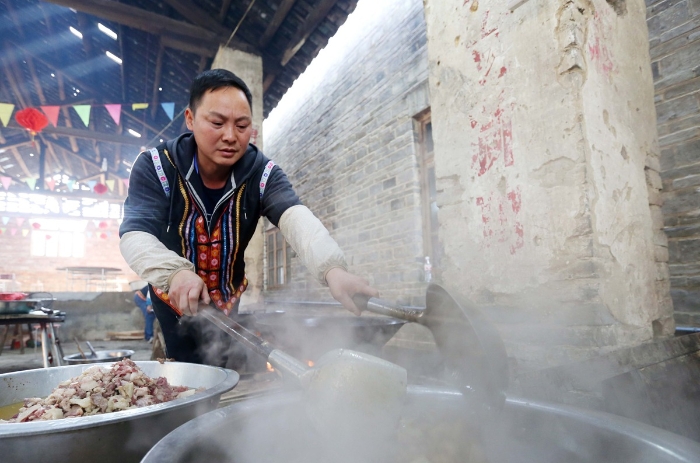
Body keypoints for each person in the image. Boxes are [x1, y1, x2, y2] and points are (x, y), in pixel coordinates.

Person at [119, 68, 378, 367]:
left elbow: (295, 217)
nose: (230, 136)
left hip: (229, 299)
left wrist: (333, 269)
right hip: (172, 302)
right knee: (185, 374)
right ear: (190, 119)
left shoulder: (262, 173)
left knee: (225, 368)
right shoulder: (155, 167)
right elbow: (135, 235)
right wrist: (174, 273)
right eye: (217, 123)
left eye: (242, 126)